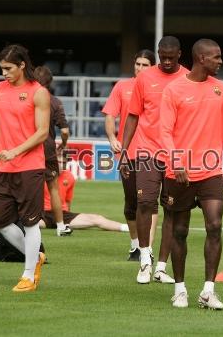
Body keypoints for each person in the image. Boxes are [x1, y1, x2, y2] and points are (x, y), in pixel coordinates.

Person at [161, 38, 223, 309]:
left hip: (211, 170)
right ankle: (180, 290)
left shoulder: (221, 89)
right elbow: (164, 130)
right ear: (202, 58)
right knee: (179, 231)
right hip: (179, 172)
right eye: (216, 57)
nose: (220, 61)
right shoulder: (174, 90)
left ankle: (208, 291)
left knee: (214, 225)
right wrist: (177, 163)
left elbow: (220, 128)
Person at [0, 44, 50, 292]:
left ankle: (28, 275)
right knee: (0, 221)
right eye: (1, 69)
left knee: (30, 224)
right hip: (4, 167)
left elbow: (42, 132)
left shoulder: (38, 92)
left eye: (8, 68)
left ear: (22, 65)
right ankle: (35, 257)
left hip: (30, 167)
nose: (4, 74)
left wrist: (15, 151)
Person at [121, 36, 189, 284]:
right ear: (159, 53)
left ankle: (161, 267)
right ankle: (144, 259)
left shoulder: (189, 78)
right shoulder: (145, 78)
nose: (167, 61)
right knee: (145, 203)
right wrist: (125, 151)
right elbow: (132, 115)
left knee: (172, 209)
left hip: (177, 155)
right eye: (163, 56)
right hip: (147, 150)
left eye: (172, 57)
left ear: (180, 54)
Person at [102, 49, 156, 261]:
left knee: (149, 202)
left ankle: (147, 250)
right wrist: (112, 138)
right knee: (131, 204)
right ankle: (135, 245)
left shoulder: (159, 88)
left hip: (152, 152)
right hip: (128, 154)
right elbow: (109, 115)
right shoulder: (122, 87)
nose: (140, 68)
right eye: (138, 64)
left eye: (145, 65)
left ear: (152, 67)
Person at [40, 154, 129, 233]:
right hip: (43, 214)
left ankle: (128, 228)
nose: (60, 165)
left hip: (63, 215)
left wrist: (67, 218)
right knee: (28, 223)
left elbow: (67, 201)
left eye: (63, 162)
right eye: (58, 162)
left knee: (96, 219)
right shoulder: (41, 175)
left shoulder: (69, 176)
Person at [33, 65, 72, 237]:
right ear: (50, 82)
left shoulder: (28, 98)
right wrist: (63, 144)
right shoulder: (55, 102)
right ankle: (61, 226)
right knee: (53, 187)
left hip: (29, 146)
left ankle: (25, 222)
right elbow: (64, 130)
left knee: (27, 186)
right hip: (48, 147)